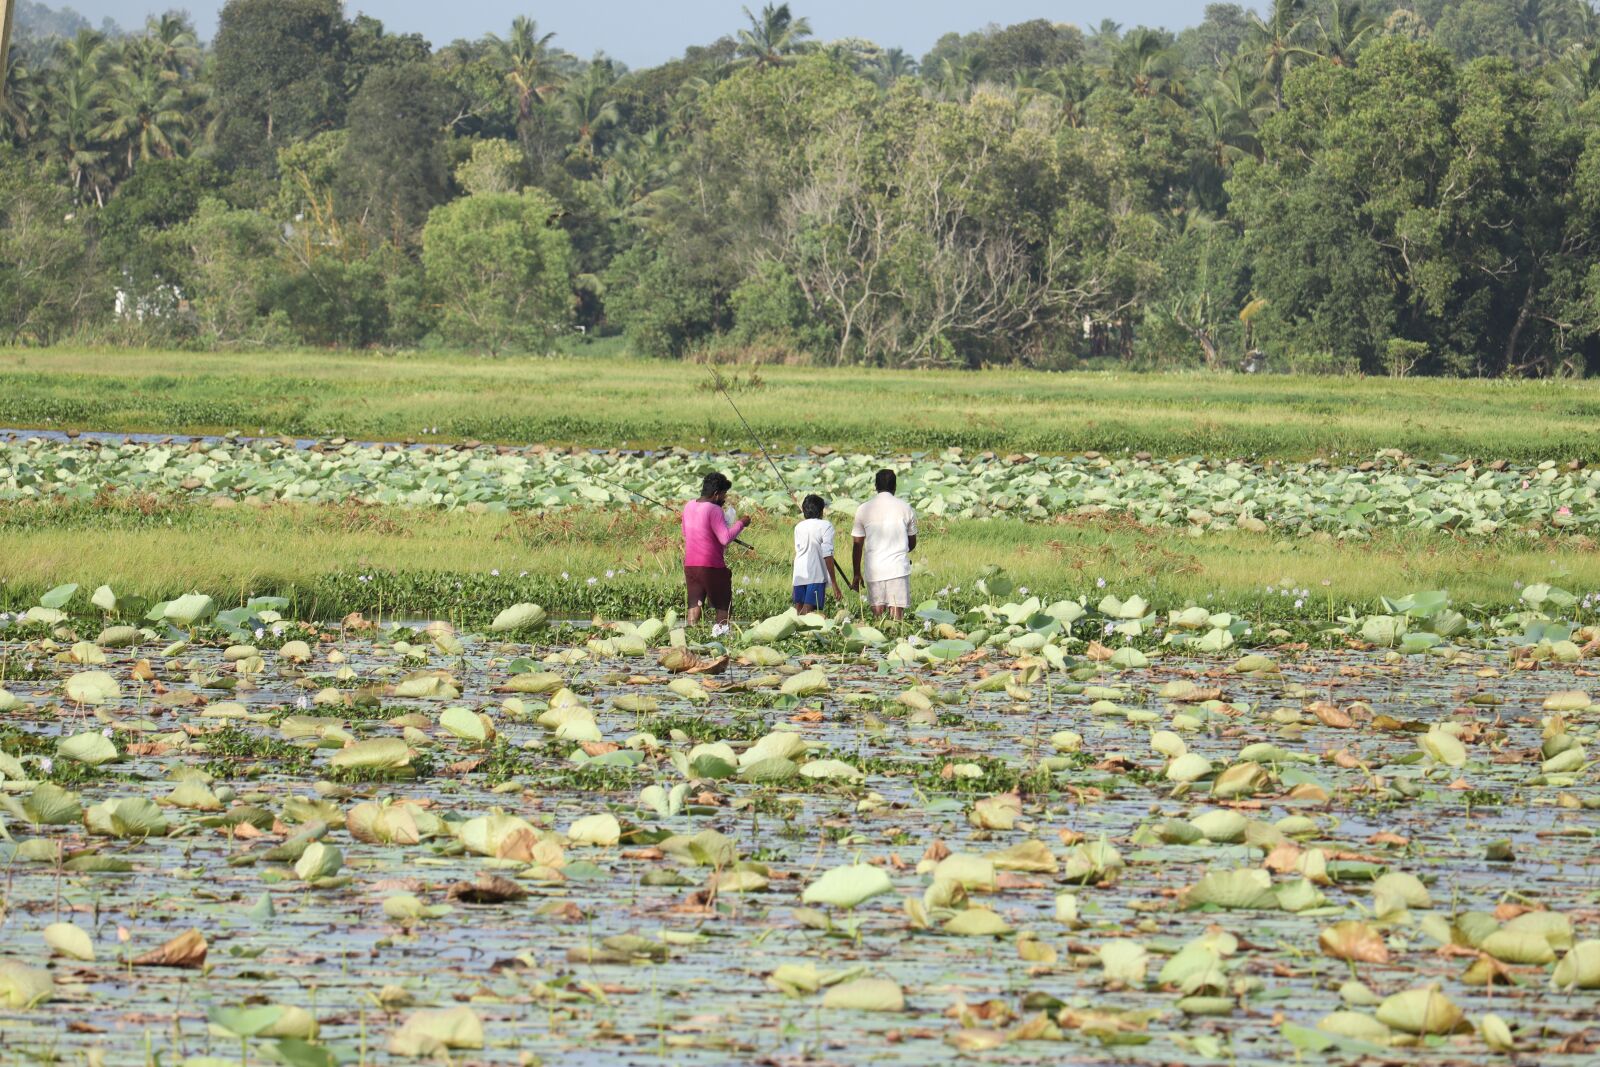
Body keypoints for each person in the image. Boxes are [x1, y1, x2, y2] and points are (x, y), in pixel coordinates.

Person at [682, 471, 749, 636]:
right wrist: (742, 523)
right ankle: (721, 637)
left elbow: (686, 532)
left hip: (691, 564)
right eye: (724, 494)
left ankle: (690, 635)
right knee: (722, 604)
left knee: (694, 604)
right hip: (712, 565)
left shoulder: (689, 505)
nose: (724, 499)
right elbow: (725, 538)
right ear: (716, 493)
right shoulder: (714, 509)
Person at [851, 468, 917, 620]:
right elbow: (911, 543)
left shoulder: (863, 509)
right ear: (895, 487)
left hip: (875, 569)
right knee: (897, 616)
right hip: (898, 569)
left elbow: (857, 545)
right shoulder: (905, 508)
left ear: (875, 486)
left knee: (877, 615)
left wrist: (856, 573)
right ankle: (897, 641)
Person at [792, 494, 846, 615]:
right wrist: (834, 583)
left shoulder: (798, 527)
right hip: (815, 574)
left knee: (799, 610)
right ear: (821, 511)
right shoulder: (826, 526)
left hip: (799, 573)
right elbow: (827, 555)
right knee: (808, 612)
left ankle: (797, 633)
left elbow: (798, 549)